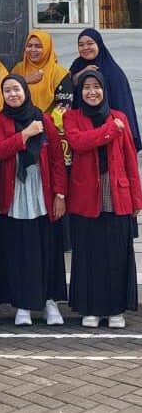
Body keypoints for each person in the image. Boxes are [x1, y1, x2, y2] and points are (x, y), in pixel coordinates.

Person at [63, 70, 142, 328]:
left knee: (116, 255)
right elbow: (79, 143)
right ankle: (91, 309)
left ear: (105, 90)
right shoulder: (73, 117)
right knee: (90, 256)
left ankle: (115, 310)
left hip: (116, 194)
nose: (92, 92)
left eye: (96, 87)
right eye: (86, 87)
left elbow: (130, 160)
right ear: (80, 92)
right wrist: (109, 131)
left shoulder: (120, 117)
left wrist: (136, 199)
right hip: (86, 198)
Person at [0, 74, 67, 326]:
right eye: (7, 91)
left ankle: (49, 302)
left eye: (16, 89)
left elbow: (57, 160)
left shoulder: (44, 119)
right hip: (14, 194)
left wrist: (59, 194)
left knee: (47, 249)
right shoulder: (0, 120)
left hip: (42, 193)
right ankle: (22, 304)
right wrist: (24, 134)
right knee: (19, 250)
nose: (12, 94)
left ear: (25, 91)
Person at [70, 28, 141, 151]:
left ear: (99, 44)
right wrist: (82, 73)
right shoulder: (77, 65)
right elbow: (67, 87)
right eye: (81, 45)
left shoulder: (112, 72)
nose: (85, 48)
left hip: (109, 132)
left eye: (90, 43)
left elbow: (122, 106)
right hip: (83, 130)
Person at [12, 30, 73, 113]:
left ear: (47, 48)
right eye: (29, 46)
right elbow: (8, 93)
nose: (33, 50)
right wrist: (25, 80)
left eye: (38, 46)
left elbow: (64, 107)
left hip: (50, 120)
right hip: (20, 119)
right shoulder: (18, 69)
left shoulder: (59, 73)